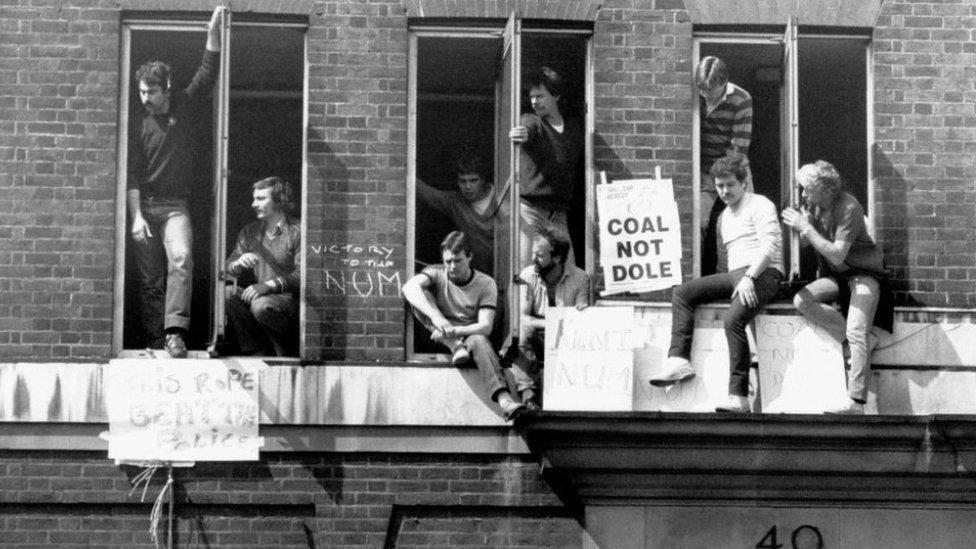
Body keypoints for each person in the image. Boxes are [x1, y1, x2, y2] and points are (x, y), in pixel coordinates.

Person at [649, 153, 783, 413]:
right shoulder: (723, 217)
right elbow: (725, 261)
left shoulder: (760, 204)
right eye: (719, 186)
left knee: (733, 320)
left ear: (743, 183)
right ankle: (678, 360)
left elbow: (770, 246)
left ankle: (739, 397)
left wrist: (749, 278)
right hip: (736, 275)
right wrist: (736, 281)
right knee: (683, 293)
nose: (724, 191)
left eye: (730, 184)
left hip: (765, 274)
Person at [127, 6, 225, 358]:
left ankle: (174, 334)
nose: (145, 99)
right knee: (150, 278)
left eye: (151, 92)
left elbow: (208, 71)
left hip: (174, 207)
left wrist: (214, 31)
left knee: (181, 259)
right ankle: (154, 340)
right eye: (141, 92)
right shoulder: (138, 124)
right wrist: (136, 216)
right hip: (146, 204)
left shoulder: (184, 106)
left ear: (166, 88)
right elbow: (133, 173)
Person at [782, 161, 893, 415]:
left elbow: (836, 255)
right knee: (802, 301)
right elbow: (810, 246)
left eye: (808, 189)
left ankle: (856, 402)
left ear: (827, 190)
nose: (803, 195)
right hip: (838, 277)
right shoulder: (815, 205)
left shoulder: (849, 207)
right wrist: (802, 225)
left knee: (856, 329)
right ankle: (861, 341)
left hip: (864, 275)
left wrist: (806, 227)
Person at [402, 231, 525, 421]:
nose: (451, 267)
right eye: (447, 261)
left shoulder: (485, 283)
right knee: (420, 293)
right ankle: (453, 346)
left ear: (470, 257)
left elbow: (485, 327)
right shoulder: (436, 273)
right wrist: (438, 320)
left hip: (468, 340)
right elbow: (408, 287)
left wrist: (453, 331)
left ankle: (505, 400)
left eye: (457, 261)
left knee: (480, 340)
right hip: (437, 336)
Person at [509, 66, 583, 269]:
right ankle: (523, 303)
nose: (534, 101)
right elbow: (526, 130)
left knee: (568, 270)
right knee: (525, 271)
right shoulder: (531, 121)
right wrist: (520, 133)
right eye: (532, 96)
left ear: (556, 95)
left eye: (540, 95)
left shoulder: (574, 128)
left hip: (558, 213)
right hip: (530, 210)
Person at [223, 177, 302, 357]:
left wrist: (267, 286)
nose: (253, 204)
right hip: (259, 298)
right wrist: (238, 262)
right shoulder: (249, 232)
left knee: (261, 305)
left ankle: (284, 352)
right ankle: (256, 350)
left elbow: (303, 274)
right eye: (254, 198)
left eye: (260, 199)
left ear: (278, 200)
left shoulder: (297, 231)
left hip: (288, 301)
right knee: (227, 293)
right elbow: (228, 266)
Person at [513, 228, 590, 411]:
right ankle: (527, 392)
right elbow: (523, 319)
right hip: (538, 336)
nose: (533, 259)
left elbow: (581, 317)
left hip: (567, 338)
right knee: (521, 333)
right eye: (533, 253)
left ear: (557, 258)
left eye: (539, 255)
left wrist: (583, 311)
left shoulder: (581, 278)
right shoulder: (527, 275)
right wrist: (554, 322)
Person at [697, 56, 754, 275]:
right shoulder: (697, 96)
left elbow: (738, 150)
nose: (705, 95)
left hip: (734, 166)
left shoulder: (741, 100)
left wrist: (720, 183)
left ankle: (746, 276)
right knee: (700, 225)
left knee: (745, 221)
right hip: (702, 169)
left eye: (710, 90)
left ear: (724, 83)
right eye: (702, 89)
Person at [416, 155, 499, 274]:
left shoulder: (502, 198)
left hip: (503, 270)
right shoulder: (454, 202)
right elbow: (425, 193)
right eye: (462, 181)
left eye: (473, 180)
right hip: (473, 275)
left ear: (483, 180)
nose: (468, 186)